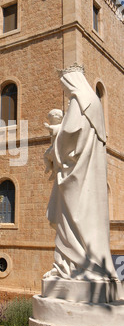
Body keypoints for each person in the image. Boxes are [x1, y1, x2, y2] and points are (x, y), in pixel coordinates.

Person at [44, 64, 117, 281]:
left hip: (75, 175)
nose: (65, 91)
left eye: (64, 86)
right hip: (89, 173)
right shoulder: (94, 102)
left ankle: (69, 265)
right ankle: (92, 264)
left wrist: (52, 153)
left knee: (70, 219)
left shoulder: (78, 100)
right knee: (89, 218)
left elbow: (68, 133)